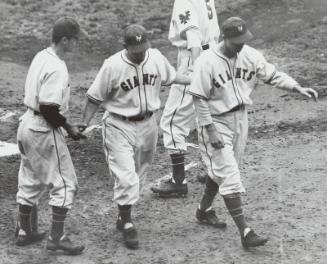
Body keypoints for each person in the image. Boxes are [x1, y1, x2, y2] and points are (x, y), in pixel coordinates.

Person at [188, 16, 318, 248]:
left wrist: (296, 86)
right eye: (236, 40)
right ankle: (245, 232)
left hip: (240, 119)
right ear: (225, 38)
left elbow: (272, 74)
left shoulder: (250, 54)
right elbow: (198, 98)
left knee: (223, 170)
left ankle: (203, 210)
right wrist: (210, 130)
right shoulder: (206, 62)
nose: (240, 44)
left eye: (243, 39)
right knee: (229, 174)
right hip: (215, 122)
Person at [79, 24, 191, 249]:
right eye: (136, 49)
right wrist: (84, 122)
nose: (140, 53)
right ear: (125, 46)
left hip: (149, 124)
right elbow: (94, 98)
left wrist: (196, 80)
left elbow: (172, 77)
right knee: (127, 176)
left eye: (143, 48)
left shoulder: (155, 57)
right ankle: (128, 223)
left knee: (139, 172)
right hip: (119, 126)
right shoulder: (112, 65)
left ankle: (123, 215)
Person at [15, 17, 85, 255]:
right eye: (75, 40)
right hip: (43, 129)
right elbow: (48, 108)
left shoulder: (41, 56)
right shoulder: (57, 67)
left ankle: (24, 232)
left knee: (30, 178)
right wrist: (69, 127)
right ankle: (57, 237)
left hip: (25, 125)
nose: (77, 44)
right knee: (66, 184)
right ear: (65, 40)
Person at [150, 0, 221, 197]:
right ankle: (214, 171)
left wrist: (196, 69)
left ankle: (178, 182)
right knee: (206, 115)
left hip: (194, 57)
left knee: (173, 121)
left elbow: (193, 37)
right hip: (214, 53)